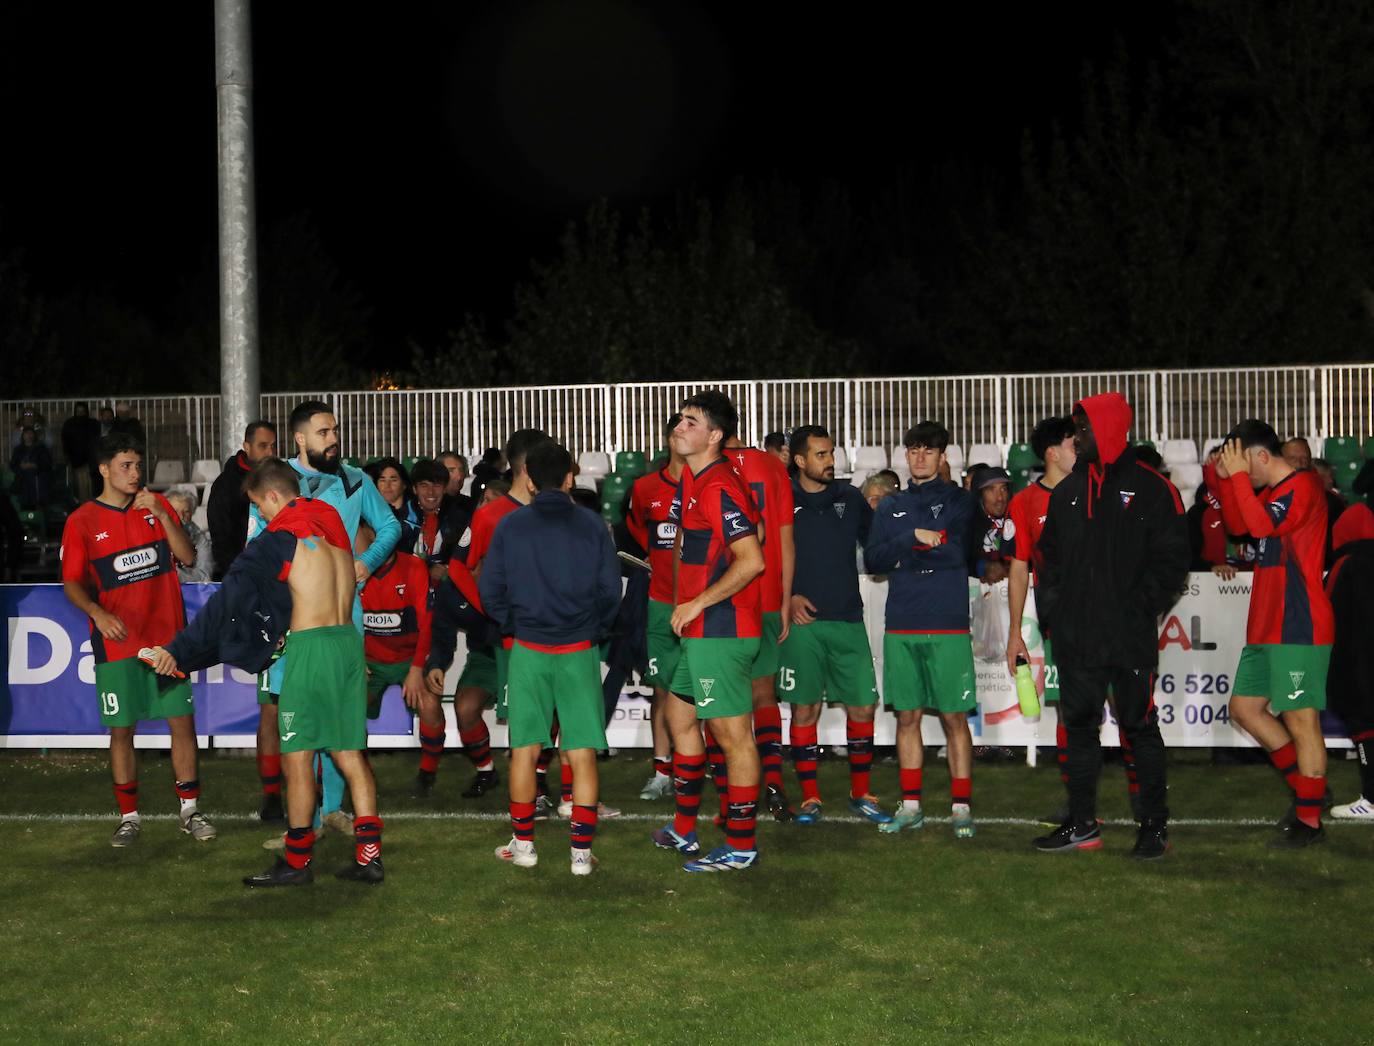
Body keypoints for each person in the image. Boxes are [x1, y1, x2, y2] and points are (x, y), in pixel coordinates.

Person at [186, 459, 381, 886]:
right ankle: (370, 857)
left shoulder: (284, 533)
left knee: (297, 757)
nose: (261, 515)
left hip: (312, 648)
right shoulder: (330, 520)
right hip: (348, 640)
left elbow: (257, 590)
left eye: (260, 506)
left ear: (274, 496)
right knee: (349, 752)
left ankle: (297, 862)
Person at [1035, 393, 1188, 859]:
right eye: (1075, 431)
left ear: (1109, 429)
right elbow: (1049, 562)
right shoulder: (1067, 492)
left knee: (1139, 728)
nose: (1077, 439)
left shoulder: (1154, 489)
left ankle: (1153, 827)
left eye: (1083, 430)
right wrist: (1055, 618)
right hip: (1077, 637)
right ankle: (1082, 823)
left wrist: (1139, 609)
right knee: (1079, 728)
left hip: (1128, 635)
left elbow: (1172, 561)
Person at [250, 401, 400, 833]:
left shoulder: (355, 480)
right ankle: (304, 822)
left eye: (334, 431)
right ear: (300, 438)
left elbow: (390, 525)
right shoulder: (277, 485)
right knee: (297, 720)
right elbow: (257, 548)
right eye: (323, 433)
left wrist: (367, 562)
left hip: (342, 619)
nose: (333, 439)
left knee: (340, 718)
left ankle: (332, 810)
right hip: (292, 621)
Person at [59, 432, 213, 847]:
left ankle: (189, 810)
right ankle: (129, 817)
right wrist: (97, 612)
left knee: (181, 723)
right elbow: (71, 582)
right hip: (118, 644)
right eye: (125, 466)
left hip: (167, 641)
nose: (134, 474)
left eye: (138, 466)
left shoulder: (155, 505)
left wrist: (163, 517)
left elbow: (187, 558)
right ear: (103, 469)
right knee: (122, 730)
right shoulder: (82, 521)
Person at [480, 441, 621, 875]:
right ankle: (580, 855)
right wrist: (590, 630)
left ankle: (525, 846)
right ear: (569, 478)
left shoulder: (510, 525)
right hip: (578, 649)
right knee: (580, 753)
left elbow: (490, 589)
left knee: (523, 750)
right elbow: (610, 590)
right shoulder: (593, 524)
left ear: (527, 478)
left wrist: (515, 624)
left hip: (529, 649)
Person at [650, 390, 766, 872]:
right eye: (679, 419)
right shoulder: (693, 481)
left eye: (691, 422)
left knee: (733, 735)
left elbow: (752, 559)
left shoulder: (717, 486)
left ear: (715, 436)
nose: (679, 426)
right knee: (679, 720)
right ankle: (684, 827)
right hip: (698, 632)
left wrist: (696, 602)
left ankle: (741, 846)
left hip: (720, 629)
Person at [1216, 421, 1333, 847]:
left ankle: (1309, 823)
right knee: (1245, 709)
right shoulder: (1271, 493)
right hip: (1268, 626)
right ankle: (1310, 790)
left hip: (1298, 625)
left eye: (1246, 464)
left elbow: (1261, 526)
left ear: (1261, 457)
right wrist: (1226, 480)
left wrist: (1240, 481)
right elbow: (1239, 525)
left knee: (1302, 721)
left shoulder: (1304, 488)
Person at [865, 420, 978, 838]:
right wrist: (912, 536)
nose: (920, 457)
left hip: (947, 622)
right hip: (903, 622)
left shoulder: (960, 502)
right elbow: (874, 560)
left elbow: (954, 553)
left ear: (943, 456)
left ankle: (961, 807)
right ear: (905, 455)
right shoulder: (892, 505)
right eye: (913, 450)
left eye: (928, 450)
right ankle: (911, 805)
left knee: (953, 718)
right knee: (907, 716)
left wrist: (906, 550)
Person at [425, 429, 549, 803]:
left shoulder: (549, 516)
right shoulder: (486, 527)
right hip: (492, 647)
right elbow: (453, 590)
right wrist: (436, 660)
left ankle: (540, 780)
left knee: (543, 713)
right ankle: (488, 773)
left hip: (534, 643)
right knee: (466, 706)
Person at [779, 425, 887, 825]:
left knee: (863, 705)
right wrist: (786, 597)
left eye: (831, 453)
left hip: (846, 618)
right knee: (804, 709)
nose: (830, 461)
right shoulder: (781, 497)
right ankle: (810, 798)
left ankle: (861, 792)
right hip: (802, 624)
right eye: (821, 455)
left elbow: (875, 548)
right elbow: (766, 555)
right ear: (800, 460)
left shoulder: (850, 497)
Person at [719, 431, 796, 822]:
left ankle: (729, 797)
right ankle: (773, 780)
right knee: (764, 693)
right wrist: (784, 598)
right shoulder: (771, 465)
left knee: (720, 702)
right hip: (766, 593)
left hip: (724, 596)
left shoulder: (708, 467)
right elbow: (786, 537)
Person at [624, 414, 686, 801]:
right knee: (662, 691)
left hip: (707, 605)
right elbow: (634, 529)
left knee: (709, 692)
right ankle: (663, 771)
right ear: (668, 438)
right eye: (677, 431)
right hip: (662, 604)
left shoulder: (715, 484)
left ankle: (705, 764)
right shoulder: (646, 487)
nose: (683, 437)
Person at [355, 522, 436, 792]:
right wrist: (356, 658)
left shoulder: (413, 567)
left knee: (430, 706)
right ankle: (361, 774)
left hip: (408, 659)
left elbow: (427, 624)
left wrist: (416, 669)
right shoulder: (353, 570)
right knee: (348, 713)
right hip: (369, 662)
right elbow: (342, 619)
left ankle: (428, 772)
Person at [1324, 496, 1374, 821]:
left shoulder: (1348, 563)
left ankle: (1371, 798)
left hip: (1360, 660)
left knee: (1364, 723)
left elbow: (1329, 610)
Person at [206, 420, 277, 580]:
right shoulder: (225, 484)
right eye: (263, 446)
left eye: (272, 446)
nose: (270, 452)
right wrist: (238, 575)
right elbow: (221, 539)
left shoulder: (278, 478)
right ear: (247, 447)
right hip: (242, 575)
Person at [967, 466, 1012, 584]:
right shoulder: (968, 523)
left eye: (1003, 489)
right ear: (980, 496)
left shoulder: (1016, 519)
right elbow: (960, 560)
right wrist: (983, 567)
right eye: (991, 490)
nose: (999, 498)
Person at [366, 457, 419, 550]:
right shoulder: (368, 515)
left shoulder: (417, 512)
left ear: (404, 485)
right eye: (382, 480)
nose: (387, 485)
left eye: (393, 480)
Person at [165, 489, 213, 583]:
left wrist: (175, 575)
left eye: (186, 511)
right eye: (175, 511)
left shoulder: (199, 538)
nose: (181, 516)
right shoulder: (157, 536)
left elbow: (205, 575)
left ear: (192, 514)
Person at [61, 403, 100, 503]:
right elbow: (65, 441)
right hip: (77, 460)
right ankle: (83, 505)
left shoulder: (93, 424)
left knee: (93, 485)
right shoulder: (69, 424)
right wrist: (67, 455)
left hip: (92, 460)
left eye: (82, 411)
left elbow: (97, 440)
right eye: (78, 411)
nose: (80, 413)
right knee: (80, 486)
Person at [10, 426, 52, 508]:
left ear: (34, 435)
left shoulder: (41, 449)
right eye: (26, 433)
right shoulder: (18, 449)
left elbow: (47, 464)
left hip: (38, 482)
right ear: (23, 436)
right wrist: (21, 467)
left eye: (31, 433)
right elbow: (13, 465)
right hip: (22, 482)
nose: (29, 435)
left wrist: (35, 465)